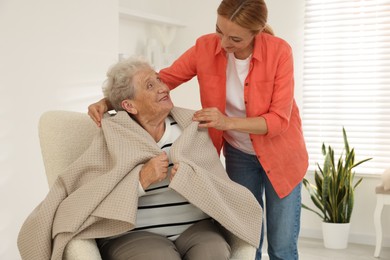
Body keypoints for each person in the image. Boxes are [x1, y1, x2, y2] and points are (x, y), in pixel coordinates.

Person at [88, 0, 308, 259]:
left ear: (256, 33)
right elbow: (163, 80)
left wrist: (226, 122)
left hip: (282, 154)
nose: (224, 43)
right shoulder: (206, 47)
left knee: (282, 246)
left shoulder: (280, 52)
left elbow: (279, 120)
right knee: (247, 235)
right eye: (219, 31)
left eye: (234, 38)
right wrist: (109, 100)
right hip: (239, 154)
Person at [17, 57, 262, 260]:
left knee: (214, 253)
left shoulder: (191, 128)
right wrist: (140, 181)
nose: (163, 87)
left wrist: (193, 179)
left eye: (159, 80)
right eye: (149, 86)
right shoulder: (114, 135)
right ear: (130, 106)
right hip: (135, 233)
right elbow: (90, 195)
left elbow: (218, 184)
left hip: (197, 228)